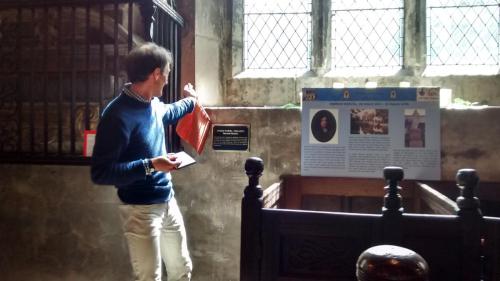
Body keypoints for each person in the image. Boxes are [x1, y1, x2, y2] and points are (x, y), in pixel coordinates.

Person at [91, 42, 196, 281]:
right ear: (156, 74)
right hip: (140, 209)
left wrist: (191, 101)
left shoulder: (154, 105)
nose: (167, 81)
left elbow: (171, 111)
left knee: (182, 270)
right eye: (167, 75)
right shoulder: (116, 116)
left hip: (167, 201)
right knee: (149, 277)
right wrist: (150, 165)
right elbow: (102, 172)